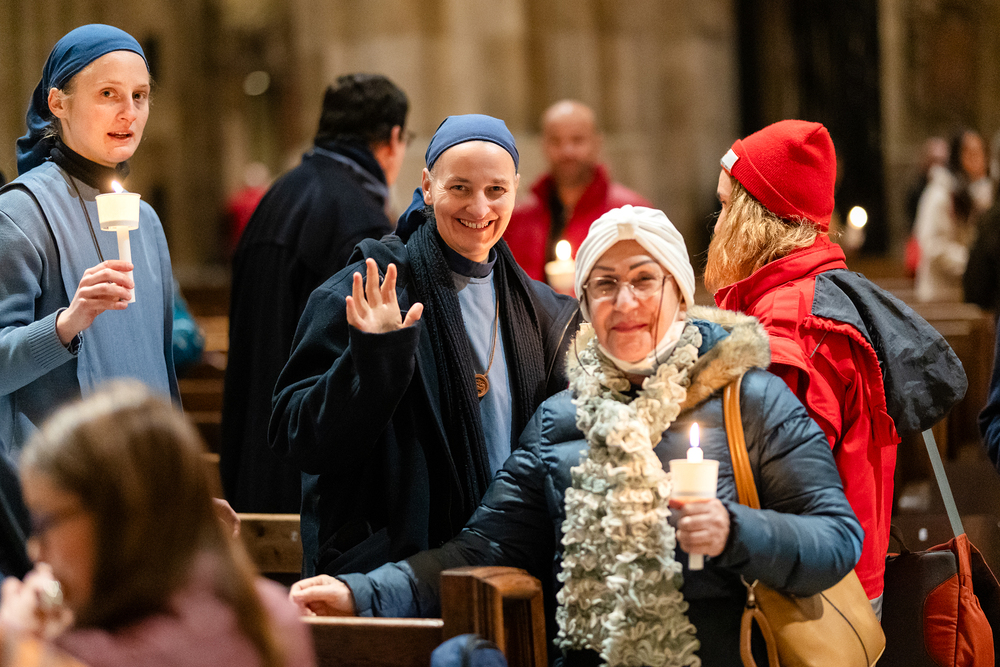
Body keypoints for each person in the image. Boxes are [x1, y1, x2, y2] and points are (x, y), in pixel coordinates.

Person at [287, 205, 863, 667]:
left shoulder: (750, 401)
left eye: (645, 280)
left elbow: (837, 540)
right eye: (605, 285)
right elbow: (480, 551)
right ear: (585, 303)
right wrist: (359, 593)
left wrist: (735, 530)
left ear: (680, 295)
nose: (625, 302)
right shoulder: (559, 421)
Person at [270, 114, 580, 578]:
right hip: (394, 572)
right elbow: (296, 438)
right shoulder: (369, 288)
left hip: (510, 567)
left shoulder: (545, 313)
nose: (479, 207)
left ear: (516, 188)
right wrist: (373, 360)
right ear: (428, 186)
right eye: (460, 188)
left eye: (496, 189)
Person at [704, 119, 967, 615]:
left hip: (814, 595)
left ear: (755, 218)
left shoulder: (790, 325)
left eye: (725, 206)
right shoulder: (826, 294)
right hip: (844, 578)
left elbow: (780, 486)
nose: (716, 225)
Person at [0, 382, 315, 667]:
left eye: (45, 522)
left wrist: (15, 643)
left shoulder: (89, 655)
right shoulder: (271, 612)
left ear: (118, 517)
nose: (35, 548)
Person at [222, 74, 410, 514]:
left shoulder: (276, 196)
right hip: (306, 471)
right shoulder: (362, 222)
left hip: (252, 454)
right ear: (393, 138)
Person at [0, 24, 178, 453]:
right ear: (58, 103)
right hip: (65, 474)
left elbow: (162, 368)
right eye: (108, 94)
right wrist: (67, 323)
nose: (129, 113)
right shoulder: (20, 212)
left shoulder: (147, 221)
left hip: (144, 471)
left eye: (139, 95)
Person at [504, 100, 651, 283]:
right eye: (556, 141)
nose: (567, 151)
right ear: (543, 145)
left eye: (577, 140)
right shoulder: (518, 217)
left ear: (597, 143)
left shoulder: (631, 213)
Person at [914, 127, 993, 302]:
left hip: (969, 293)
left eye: (980, 152)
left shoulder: (983, 194)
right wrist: (973, 262)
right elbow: (933, 246)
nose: (977, 158)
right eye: (969, 152)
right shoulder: (940, 193)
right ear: (956, 156)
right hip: (941, 296)